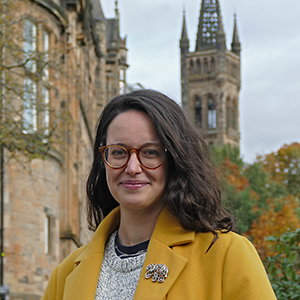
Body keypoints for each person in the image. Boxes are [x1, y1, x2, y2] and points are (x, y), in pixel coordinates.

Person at [42, 89, 277, 300]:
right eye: (118, 152)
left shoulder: (227, 256)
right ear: (103, 161)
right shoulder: (65, 275)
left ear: (175, 160)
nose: (132, 167)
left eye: (151, 152)